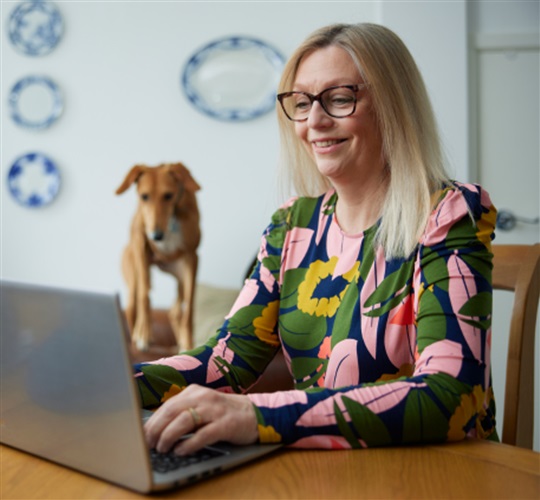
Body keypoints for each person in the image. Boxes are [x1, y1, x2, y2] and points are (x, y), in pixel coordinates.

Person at [135, 22, 498, 457]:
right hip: (331, 471)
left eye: (340, 98)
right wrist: (112, 386)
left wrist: (258, 417)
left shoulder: (449, 214)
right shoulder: (292, 225)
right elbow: (225, 361)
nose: (314, 122)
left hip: (438, 471)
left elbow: (449, 395)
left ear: (394, 105)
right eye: (302, 102)